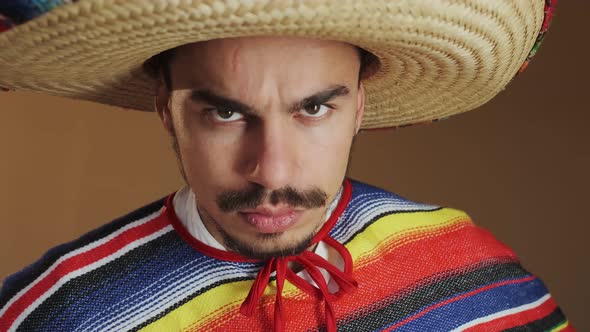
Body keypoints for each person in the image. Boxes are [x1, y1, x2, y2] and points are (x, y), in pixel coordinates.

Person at [0, 1, 575, 331]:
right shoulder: (60, 314)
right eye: (226, 112)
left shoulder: (464, 263)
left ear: (359, 108)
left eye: (315, 108)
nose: (271, 173)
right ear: (167, 111)